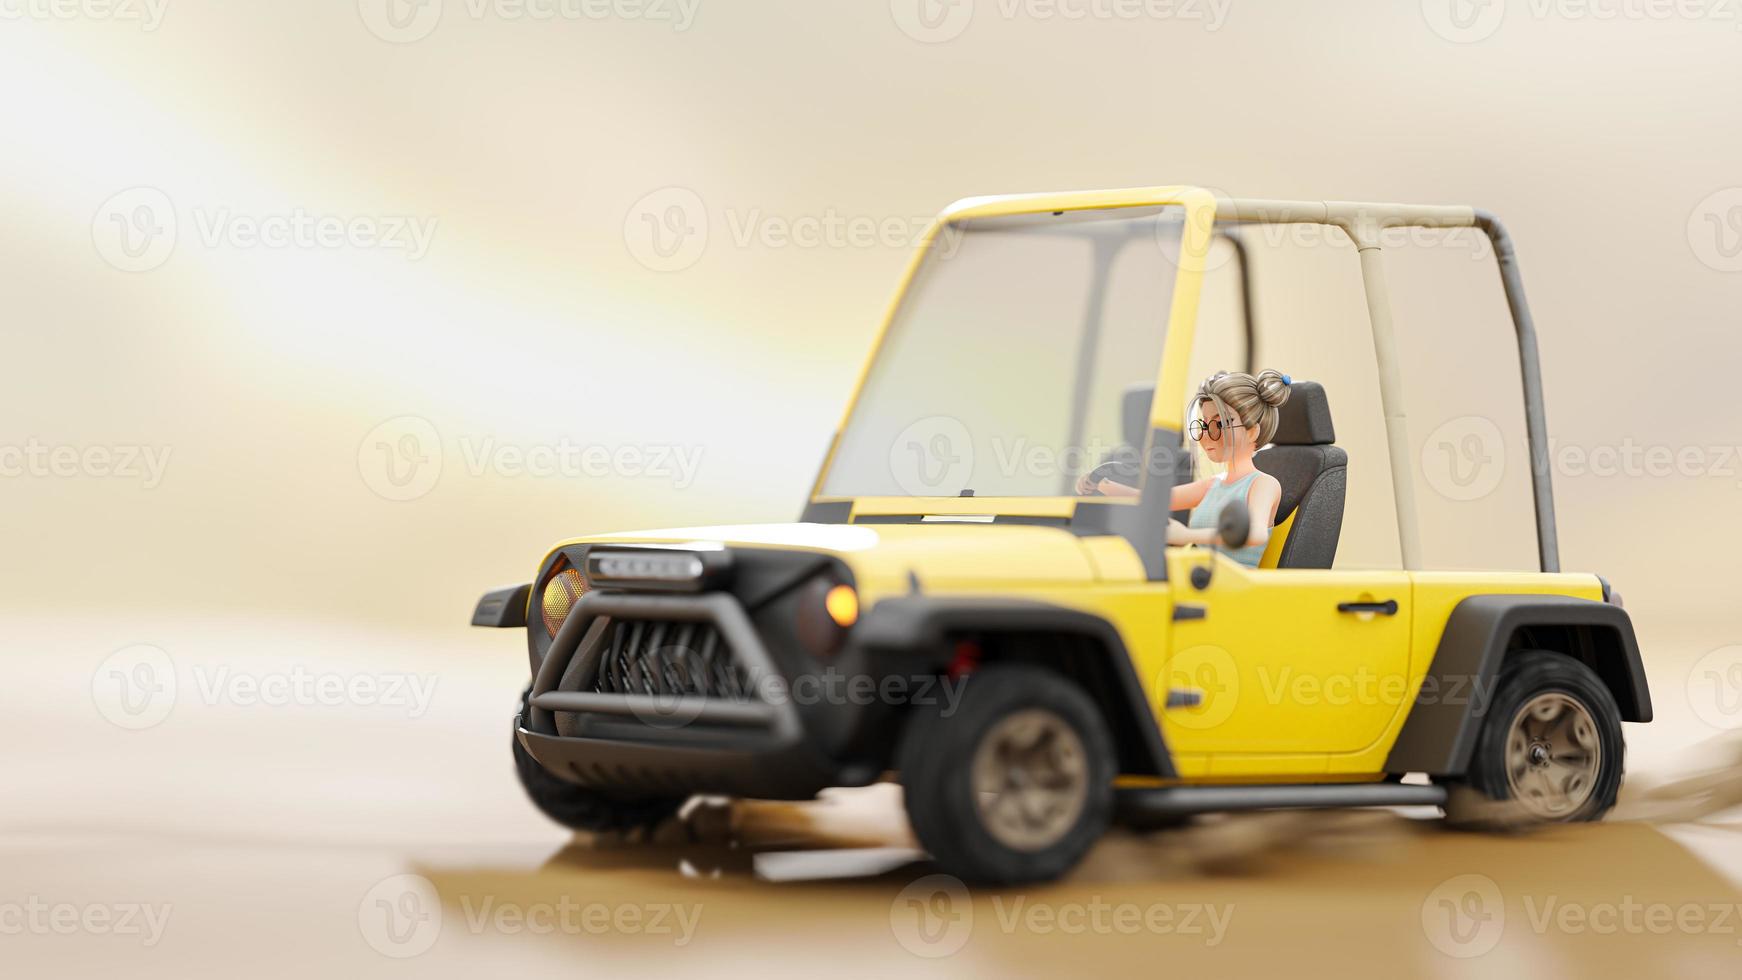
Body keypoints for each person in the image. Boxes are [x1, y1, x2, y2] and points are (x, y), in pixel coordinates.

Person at [1076, 370, 1291, 568]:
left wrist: (1187, 535)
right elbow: (1154, 500)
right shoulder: (1214, 484)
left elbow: (1256, 533)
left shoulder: (1263, 484)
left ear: (1252, 432)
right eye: (1204, 425)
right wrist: (1101, 483)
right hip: (1201, 580)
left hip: (1233, 589)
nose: (1206, 435)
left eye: (1219, 425)